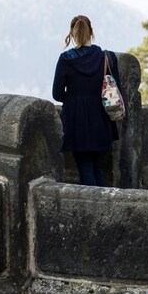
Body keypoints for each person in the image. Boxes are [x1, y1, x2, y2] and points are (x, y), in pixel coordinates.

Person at [53, 15, 118, 186]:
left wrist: (74, 97)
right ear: (91, 32)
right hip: (101, 118)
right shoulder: (107, 57)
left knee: (85, 166)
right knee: (97, 167)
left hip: (76, 119)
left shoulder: (66, 59)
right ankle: (103, 205)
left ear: (72, 34)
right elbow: (115, 87)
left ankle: (93, 209)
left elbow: (57, 94)